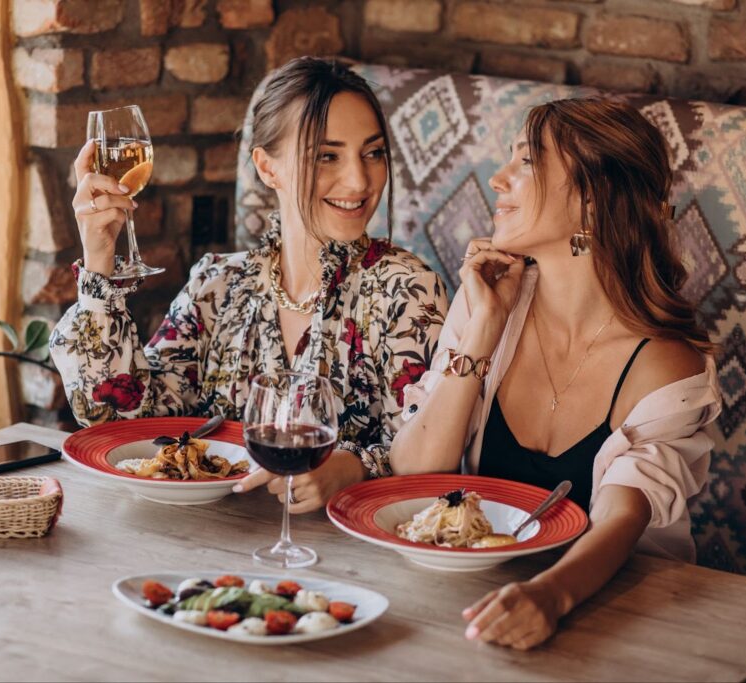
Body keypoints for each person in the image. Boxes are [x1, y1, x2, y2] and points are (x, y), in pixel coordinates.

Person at [388, 98, 721, 650]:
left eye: (526, 162)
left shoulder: (664, 363)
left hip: (617, 621)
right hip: (467, 603)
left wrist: (549, 597)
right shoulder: (488, 305)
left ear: (591, 202)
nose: (497, 179)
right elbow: (415, 470)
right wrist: (483, 329)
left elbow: (622, 518)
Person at [50, 57, 449, 512]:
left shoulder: (407, 291)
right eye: (327, 155)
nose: (359, 181)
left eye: (373, 153)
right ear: (266, 167)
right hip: (207, 542)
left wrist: (352, 468)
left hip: (345, 556)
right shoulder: (217, 283)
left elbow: (431, 459)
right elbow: (126, 417)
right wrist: (100, 262)